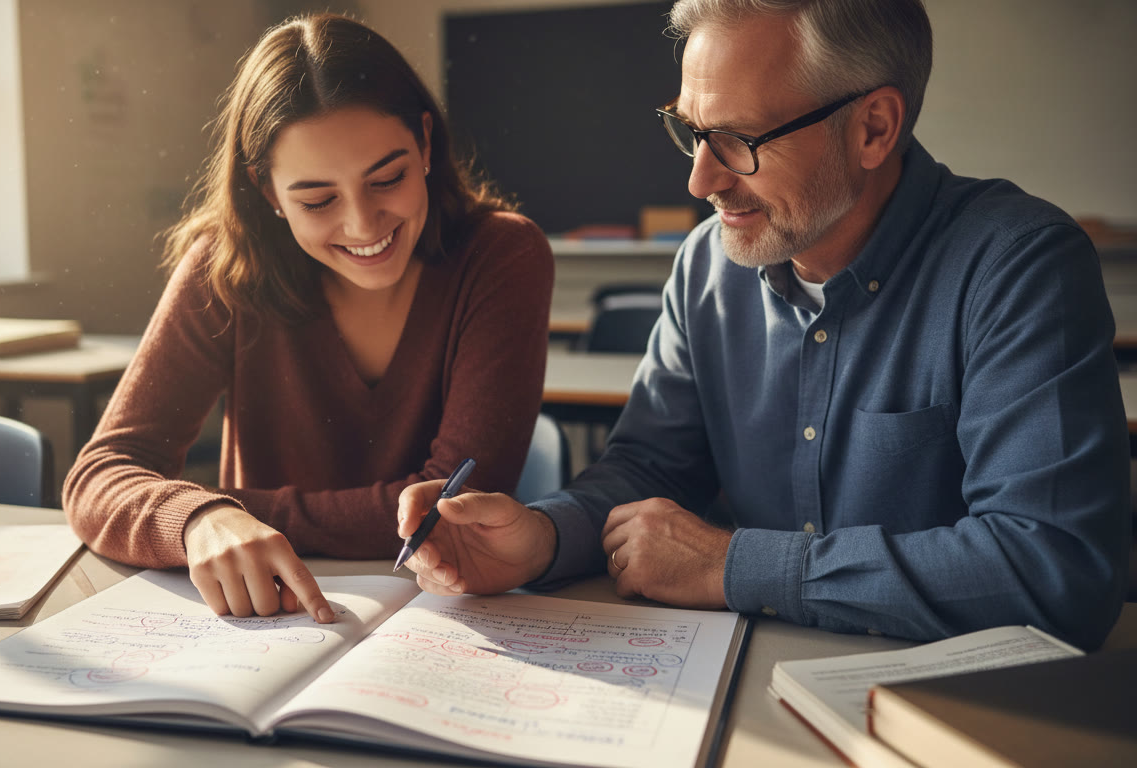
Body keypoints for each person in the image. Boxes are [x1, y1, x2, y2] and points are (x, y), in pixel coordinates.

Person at [397, 0, 1130, 650]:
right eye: (691, 132)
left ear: (874, 128)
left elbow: (1056, 570)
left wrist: (734, 565)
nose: (700, 180)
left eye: (740, 139)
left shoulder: (1017, 266)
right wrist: (545, 537)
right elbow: (651, 471)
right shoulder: (706, 268)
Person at [64, 13, 553, 624]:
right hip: (267, 620)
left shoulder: (502, 254)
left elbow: (447, 509)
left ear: (425, 143)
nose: (362, 225)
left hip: (446, 614)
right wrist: (199, 519)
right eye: (317, 200)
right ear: (266, 190)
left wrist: (232, 506)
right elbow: (100, 475)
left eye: (388, 178)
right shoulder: (223, 265)